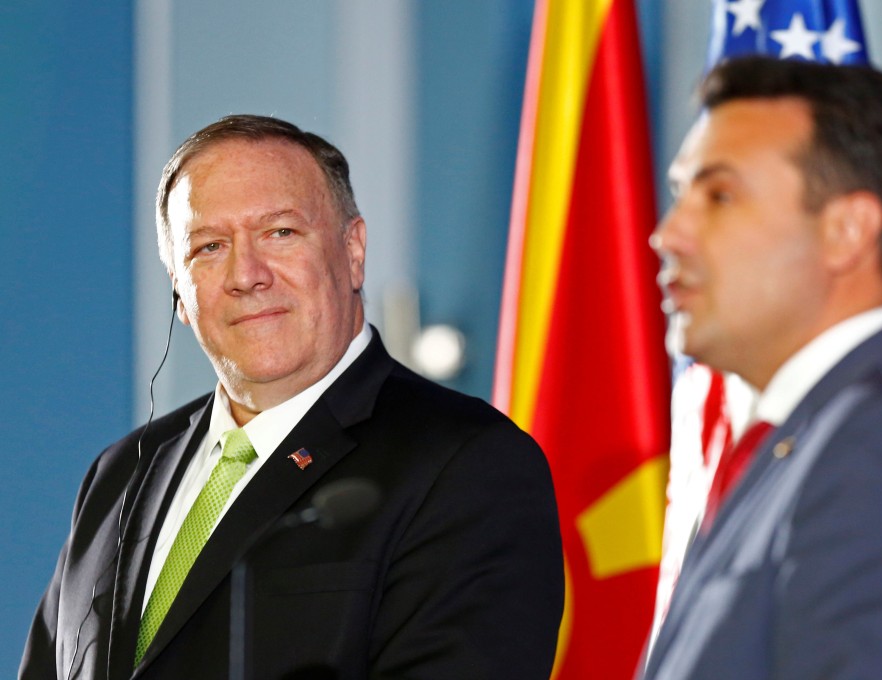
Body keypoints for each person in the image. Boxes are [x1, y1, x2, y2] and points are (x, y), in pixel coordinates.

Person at [20, 115, 564, 680]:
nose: (247, 275)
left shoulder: (468, 464)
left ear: (353, 250)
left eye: (280, 233)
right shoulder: (121, 473)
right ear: (179, 291)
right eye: (209, 247)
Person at [643, 56, 882, 679]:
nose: (669, 233)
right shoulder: (811, 439)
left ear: (847, 231)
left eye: (721, 195)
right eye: (682, 195)